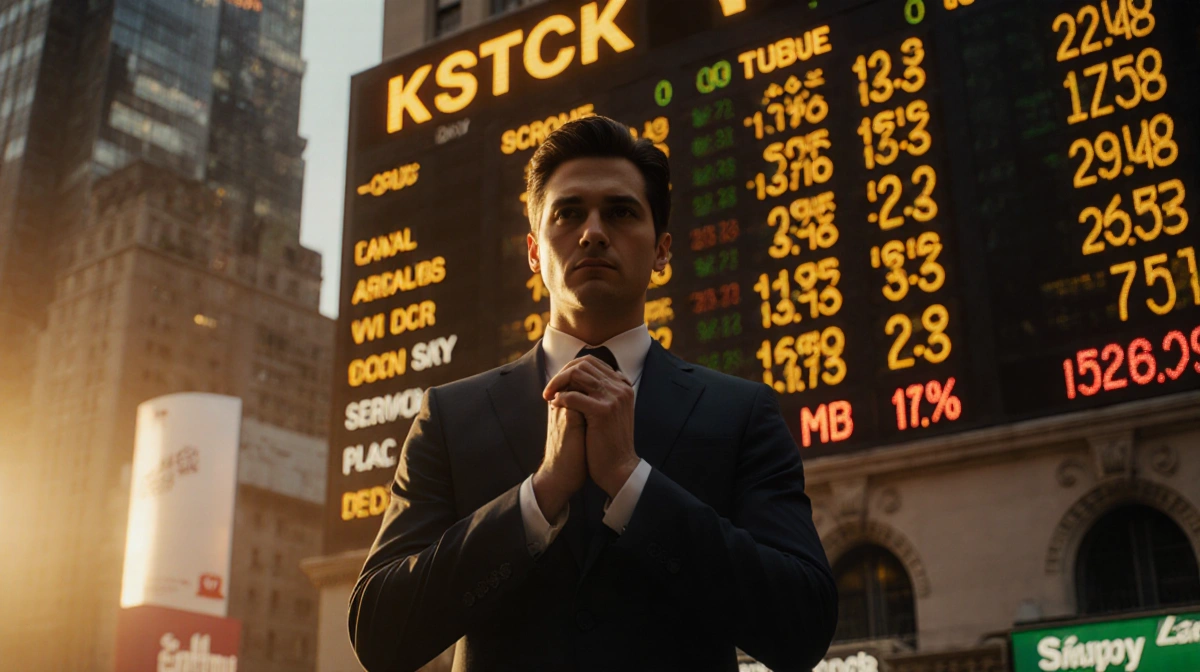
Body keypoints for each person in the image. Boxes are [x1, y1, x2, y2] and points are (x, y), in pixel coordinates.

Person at [347, 115, 837, 671]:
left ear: (662, 250)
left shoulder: (742, 413)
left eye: (622, 211)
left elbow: (804, 627)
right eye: (569, 213)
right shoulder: (450, 415)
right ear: (534, 252)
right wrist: (538, 495)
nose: (593, 231)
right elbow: (379, 635)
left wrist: (633, 482)